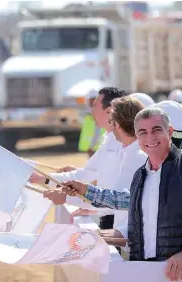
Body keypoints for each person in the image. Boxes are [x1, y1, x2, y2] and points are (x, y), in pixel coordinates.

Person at [48, 107, 182, 281]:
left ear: (170, 131)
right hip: (145, 273)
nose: (150, 137)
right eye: (142, 132)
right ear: (137, 137)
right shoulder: (140, 175)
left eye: (156, 130)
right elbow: (137, 231)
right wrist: (95, 237)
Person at [54, 96, 149, 252]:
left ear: (119, 124)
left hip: (134, 248)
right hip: (126, 242)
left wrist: (72, 196)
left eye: (111, 122)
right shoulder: (131, 154)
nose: (110, 128)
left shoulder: (137, 157)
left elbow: (121, 200)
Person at [30, 87, 127, 231]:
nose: (91, 111)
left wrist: (45, 180)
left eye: (94, 105)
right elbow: (90, 176)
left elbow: (116, 194)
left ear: (109, 110)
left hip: (119, 224)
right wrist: (43, 179)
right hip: (112, 218)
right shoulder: (110, 140)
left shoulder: (120, 143)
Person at [78, 89, 105, 157]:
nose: (93, 102)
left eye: (94, 100)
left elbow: (97, 130)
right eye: (91, 100)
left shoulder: (95, 113)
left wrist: (92, 146)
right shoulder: (89, 113)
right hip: (95, 147)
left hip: (96, 147)